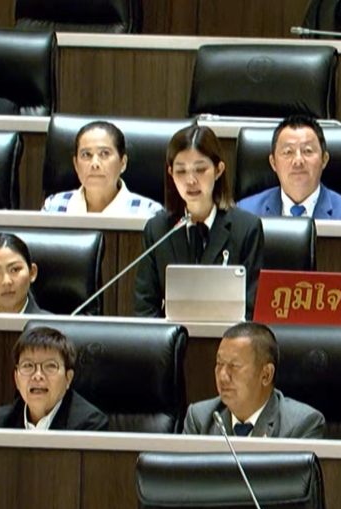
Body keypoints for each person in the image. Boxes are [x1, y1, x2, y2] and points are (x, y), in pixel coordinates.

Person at [133, 125, 264, 318]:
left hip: (230, 335)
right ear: (171, 173)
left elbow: (252, 308)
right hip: (173, 335)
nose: (191, 180)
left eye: (200, 169)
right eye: (181, 171)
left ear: (218, 170)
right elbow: (145, 307)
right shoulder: (157, 230)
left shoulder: (246, 228)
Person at [183, 322, 325, 439]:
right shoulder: (200, 419)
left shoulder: (301, 425)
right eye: (219, 364)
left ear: (266, 375)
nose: (223, 376)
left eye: (234, 366)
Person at [236, 114, 341, 221]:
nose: (298, 161)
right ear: (273, 163)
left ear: (324, 160)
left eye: (307, 151)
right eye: (288, 152)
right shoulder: (245, 213)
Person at [0, 326, 108, 431]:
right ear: (16, 378)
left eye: (50, 366)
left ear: (68, 378)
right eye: (28, 366)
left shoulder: (90, 425)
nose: (38, 376)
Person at [41, 121, 163, 216]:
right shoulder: (53, 207)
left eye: (104, 153)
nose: (95, 163)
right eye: (86, 154)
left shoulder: (149, 212)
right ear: (76, 164)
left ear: (123, 163)